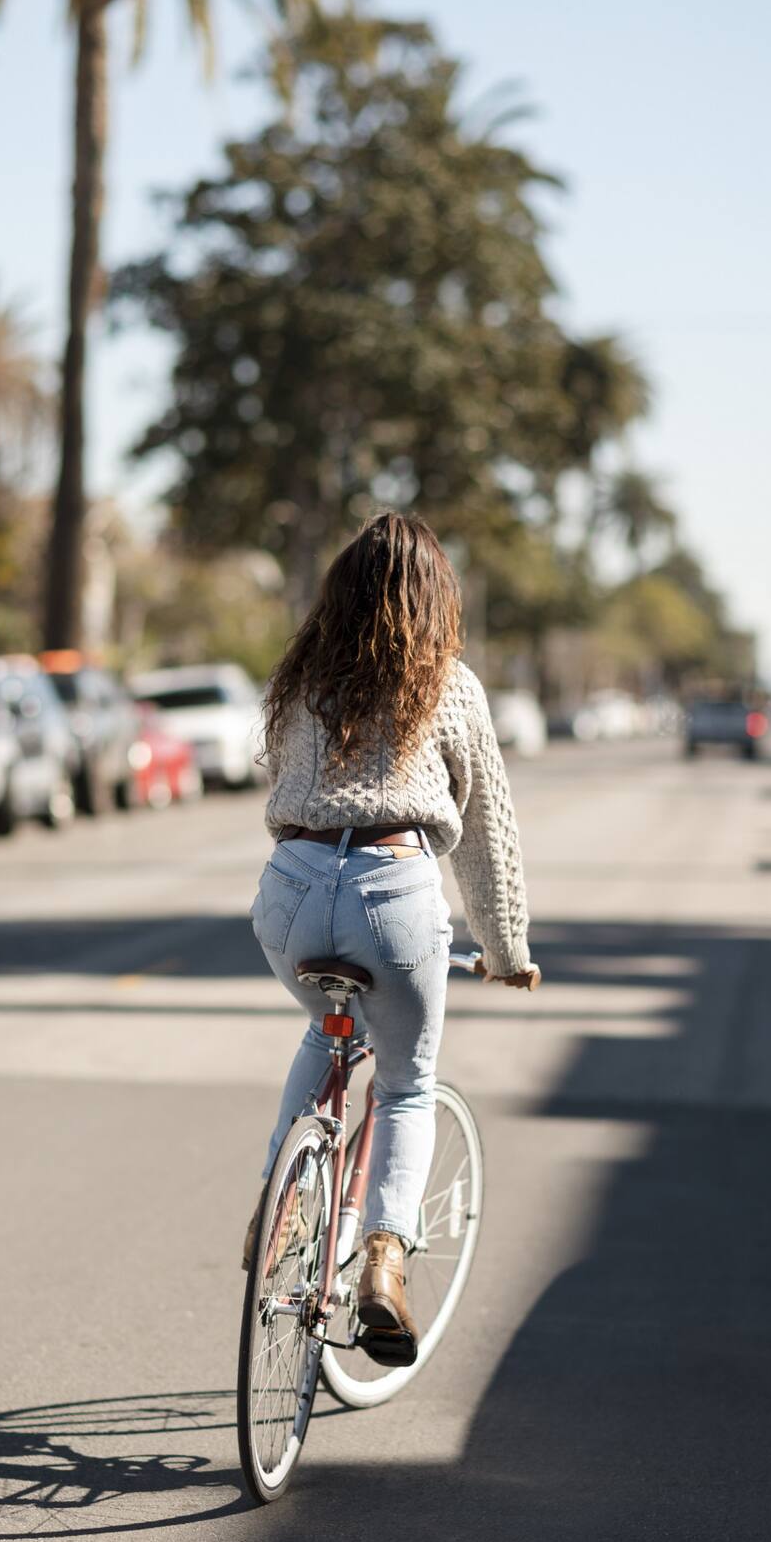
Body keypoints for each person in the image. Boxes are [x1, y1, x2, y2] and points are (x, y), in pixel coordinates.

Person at [246, 511, 540, 1366]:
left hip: (290, 894)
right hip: (393, 895)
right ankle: (383, 1259)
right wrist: (507, 949)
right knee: (407, 1088)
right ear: (433, 599)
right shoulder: (448, 686)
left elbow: (287, 785)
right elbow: (488, 835)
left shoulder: (301, 679)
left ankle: (280, 1210)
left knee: (324, 1028)